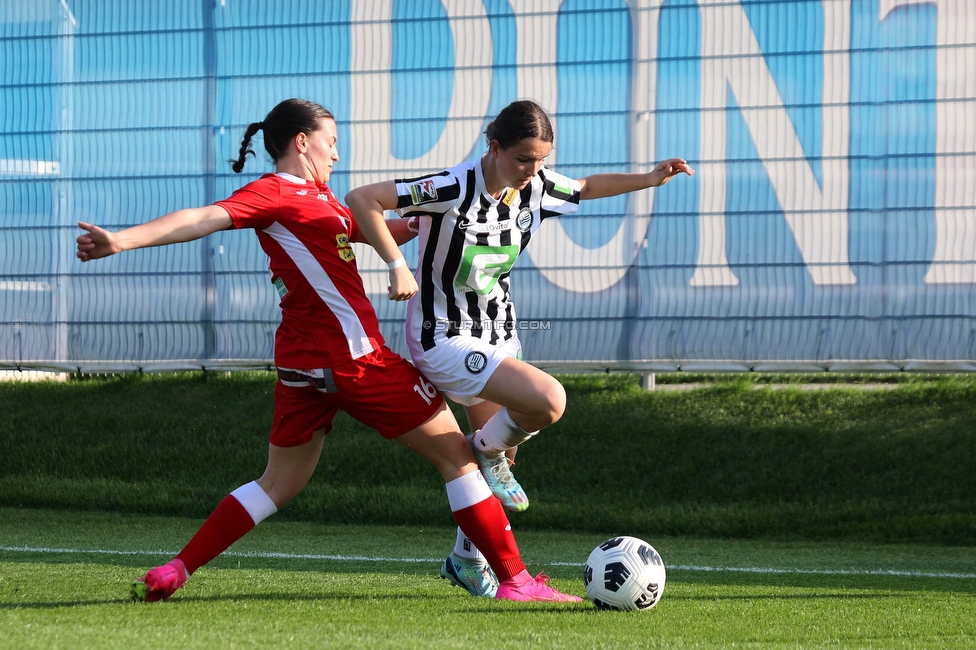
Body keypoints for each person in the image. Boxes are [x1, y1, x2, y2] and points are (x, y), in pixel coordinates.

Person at [75, 98, 581, 603]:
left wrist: (448, 217)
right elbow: (204, 217)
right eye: (331, 142)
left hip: (301, 366)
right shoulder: (274, 192)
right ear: (302, 142)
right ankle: (515, 582)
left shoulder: (326, 203)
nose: (336, 154)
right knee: (460, 458)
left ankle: (177, 569)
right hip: (354, 358)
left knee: (278, 483)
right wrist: (121, 241)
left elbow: (396, 227)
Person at [346, 99, 694, 597]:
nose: (534, 171)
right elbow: (363, 199)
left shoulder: (537, 186)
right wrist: (396, 264)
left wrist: (650, 177)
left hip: (498, 335)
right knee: (549, 401)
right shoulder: (449, 187)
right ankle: (485, 453)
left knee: (506, 450)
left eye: (542, 160)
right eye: (524, 159)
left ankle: (467, 559)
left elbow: (589, 187)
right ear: (494, 147)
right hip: (443, 338)